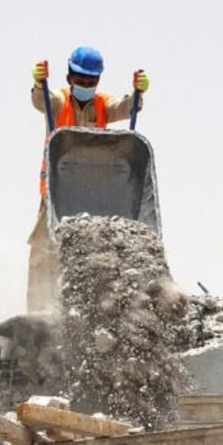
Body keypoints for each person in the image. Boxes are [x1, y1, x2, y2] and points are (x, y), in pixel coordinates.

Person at [26, 45, 150, 312]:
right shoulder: (58, 101)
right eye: (80, 80)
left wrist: (138, 93)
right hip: (56, 193)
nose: (85, 85)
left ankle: (97, 308)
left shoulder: (102, 104)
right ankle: (38, 310)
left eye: (91, 81)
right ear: (70, 77)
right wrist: (38, 84)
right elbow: (41, 101)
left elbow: (125, 108)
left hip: (93, 195)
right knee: (43, 248)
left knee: (95, 254)